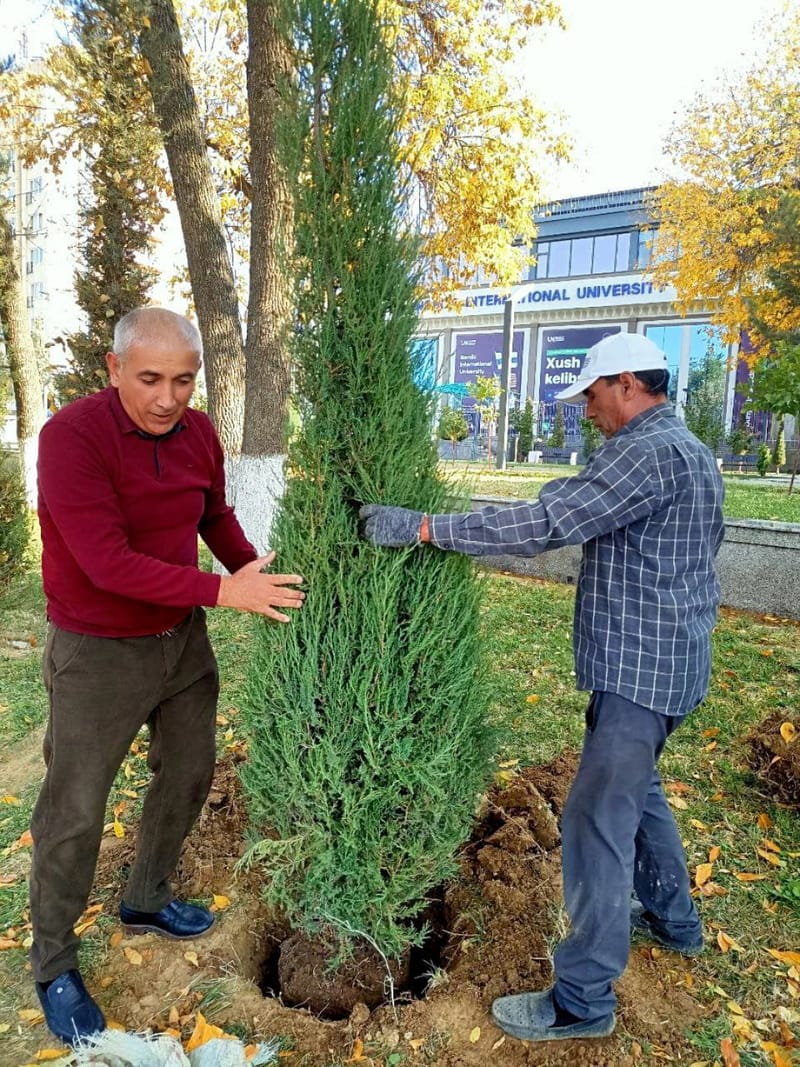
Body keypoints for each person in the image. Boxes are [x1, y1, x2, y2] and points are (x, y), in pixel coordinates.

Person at [360, 332, 724, 1044]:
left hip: (641, 674)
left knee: (595, 820)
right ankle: (675, 919)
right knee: (639, 792)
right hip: (674, 663)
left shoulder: (646, 452)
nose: (587, 410)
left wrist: (426, 527)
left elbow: (546, 521)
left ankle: (582, 1000)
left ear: (627, 383)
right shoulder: (688, 447)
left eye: (592, 394)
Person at [32, 307, 305, 1046]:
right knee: (75, 809)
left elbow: (213, 515)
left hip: (181, 643)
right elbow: (106, 562)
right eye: (150, 378)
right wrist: (224, 591)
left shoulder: (199, 432)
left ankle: (146, 897)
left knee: (188, 772)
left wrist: (253, 572)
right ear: (114, 368)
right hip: (97, 651)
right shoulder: (71, 438)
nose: (167, 397)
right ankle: (52, 963)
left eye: (184, 380)